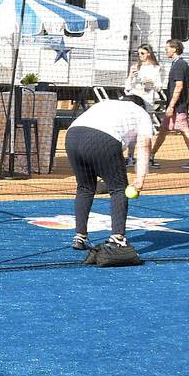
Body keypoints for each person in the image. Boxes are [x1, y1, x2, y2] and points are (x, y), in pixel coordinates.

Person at [64, 95, 150, 264]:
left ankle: (80, 237)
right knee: (118, 189)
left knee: (85, 187)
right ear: (140, 105)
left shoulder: (106, 103)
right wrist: (140, 178)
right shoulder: (142, 113)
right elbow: (144, 146)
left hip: (72, 135)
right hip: (103, 139)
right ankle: (117, 238)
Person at [150, 39, 189, 169]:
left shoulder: (179, 65)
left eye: (167, 48)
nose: (165, 50)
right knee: (163, 130)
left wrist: (171, 106)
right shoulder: (180, 64)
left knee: (185, 132)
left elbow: (179, 86)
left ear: (175, 49)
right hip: (177, 107)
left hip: (178, 107)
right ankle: (151, 156)